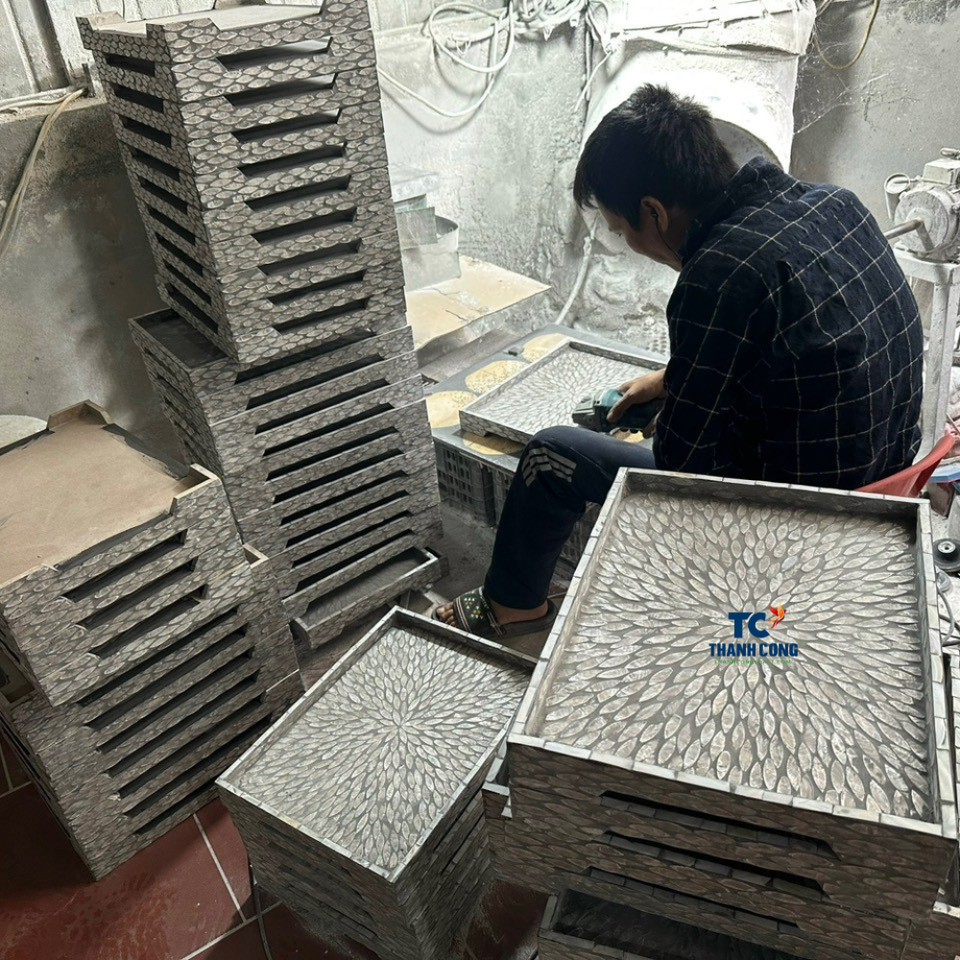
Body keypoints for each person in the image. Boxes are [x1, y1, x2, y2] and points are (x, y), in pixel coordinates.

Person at [436, 83, 923, 639]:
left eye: (622, 230)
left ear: (654, 212)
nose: (629, 242)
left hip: (794, 523)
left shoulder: (719, 272)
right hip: (886, 488)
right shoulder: (837, 204)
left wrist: (675, 415)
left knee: (551, 456)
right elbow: (809, 340)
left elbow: (682, 471)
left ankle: (511, 608)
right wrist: (674, 380)